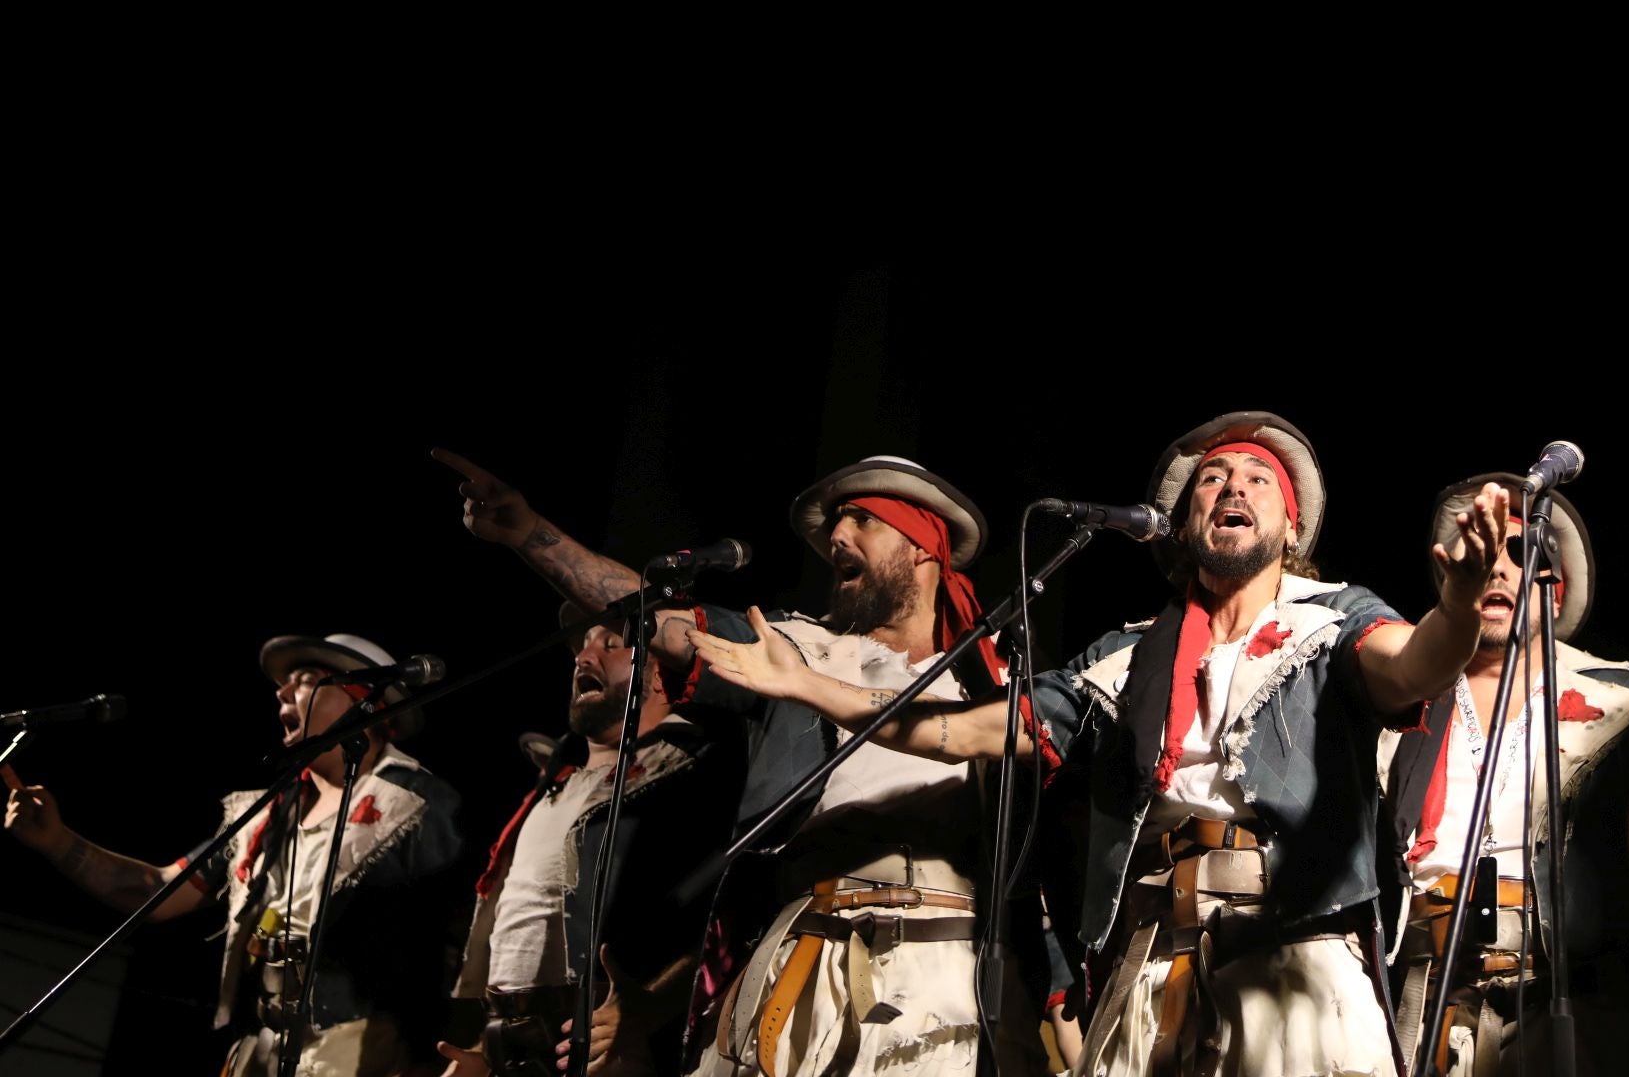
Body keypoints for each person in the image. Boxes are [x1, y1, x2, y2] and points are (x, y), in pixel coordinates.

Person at [687, 410, 1508, 1077]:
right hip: (1151, 961)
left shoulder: (1332, 620)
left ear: (1289, 527)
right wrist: (808, 686)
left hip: (1292, 959)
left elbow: (1413, 667)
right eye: (1213, 478)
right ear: (1182, 526)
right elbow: (967, 730)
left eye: (1259, 479)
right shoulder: (1123, 659)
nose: (1233, 486)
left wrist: (1463, 609)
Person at [432, 448, 1049, 1077]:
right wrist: (529, 534)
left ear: (922, 546)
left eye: (861, 520)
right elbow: (651, 616)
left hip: (950, 968)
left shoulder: (996, 677)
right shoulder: (795, 649)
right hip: (809, 954)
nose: (835, 535)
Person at [5, 633, 466, 1076]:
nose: (281, 690)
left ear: (364, 699)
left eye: (304, 679)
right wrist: (58, 842)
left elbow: (455, 945)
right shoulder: (267, 814)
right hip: (261, 1052)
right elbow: (158, 893)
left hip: (362, 1056)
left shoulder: (418, 806)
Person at [1378, 472, 1629, 1074]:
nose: (1498, 568)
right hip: (1414, 999)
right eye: (1480, 553)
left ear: (1553, 592)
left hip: (1569, 1007)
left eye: (1520, 554)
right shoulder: (1395, 704)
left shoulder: (1623, 708)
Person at [436, 605, 741, 1077]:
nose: (584, 656)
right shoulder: (556, 787)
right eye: (583, 647)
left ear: (661, 676)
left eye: (611, 645)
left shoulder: (690, 776)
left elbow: (723, 917)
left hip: (607, 1048)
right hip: (516, 1047)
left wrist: (649, 1008)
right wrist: (486, 1049)